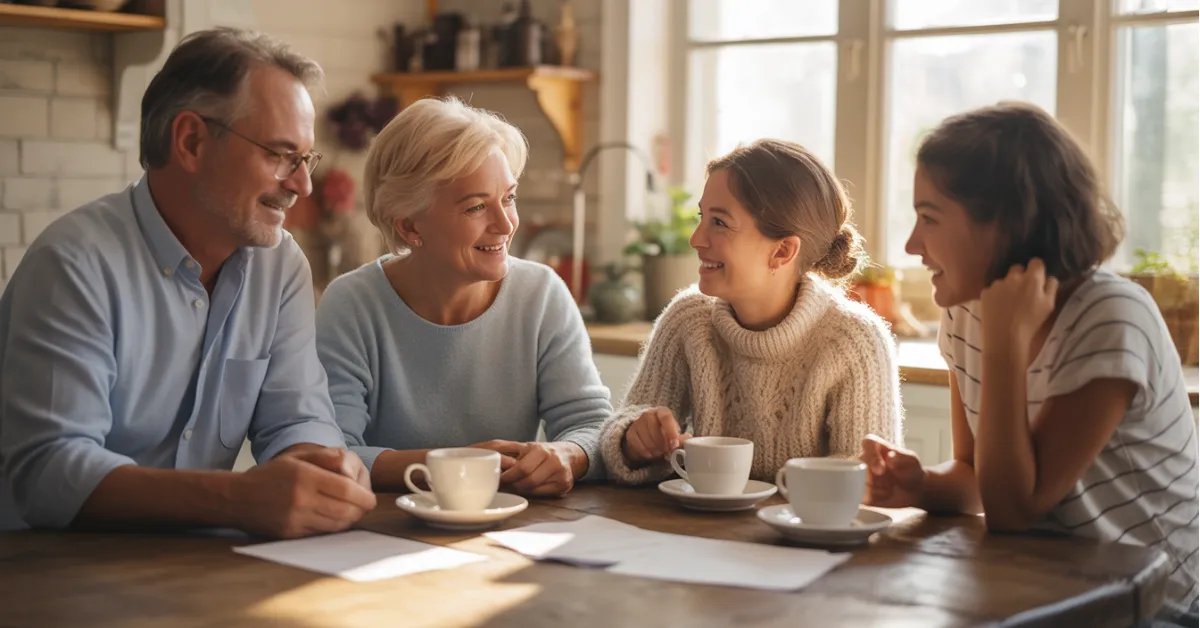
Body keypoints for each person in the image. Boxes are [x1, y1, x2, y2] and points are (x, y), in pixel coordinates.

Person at [0, 28, 377, 538]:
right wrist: (239, 499)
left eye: (306, 160)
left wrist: (320, 468)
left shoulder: (281, 265)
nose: (301, 185)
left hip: (194, 572)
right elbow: (48, 471)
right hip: (50, 577)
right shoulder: (72, 264)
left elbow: (295, 420)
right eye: (280, 155)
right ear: (191, 141)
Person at [861, 102, 1198, 625]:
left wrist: (1003, 342)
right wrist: (923, 486)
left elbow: (1013, 510)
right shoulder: (968, 310)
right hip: (1050, 582)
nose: (911, 244)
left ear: (1006, 226)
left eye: (929, 217)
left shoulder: (1110, 318)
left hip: (1152, 605)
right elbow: (979, 477)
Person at [315, 97, 611, 497]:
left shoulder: (541, 294)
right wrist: (456, 466)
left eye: (509, 197)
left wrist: (568, 454)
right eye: (476, 207)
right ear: (409, 226)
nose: (505, 224)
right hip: (380, 530)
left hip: (510, 530)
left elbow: (592, 425)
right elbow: (330, 453)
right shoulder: (352, 304)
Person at [599, 139, 903, 485]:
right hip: (699, 533)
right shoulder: (688, 319)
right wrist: (634, 441)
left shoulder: (856, 340)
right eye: (703, 217)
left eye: (720, 223)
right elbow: (623, 430)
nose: (697, 238)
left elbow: (868, 476)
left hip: (804, 536)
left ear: (783, 251)